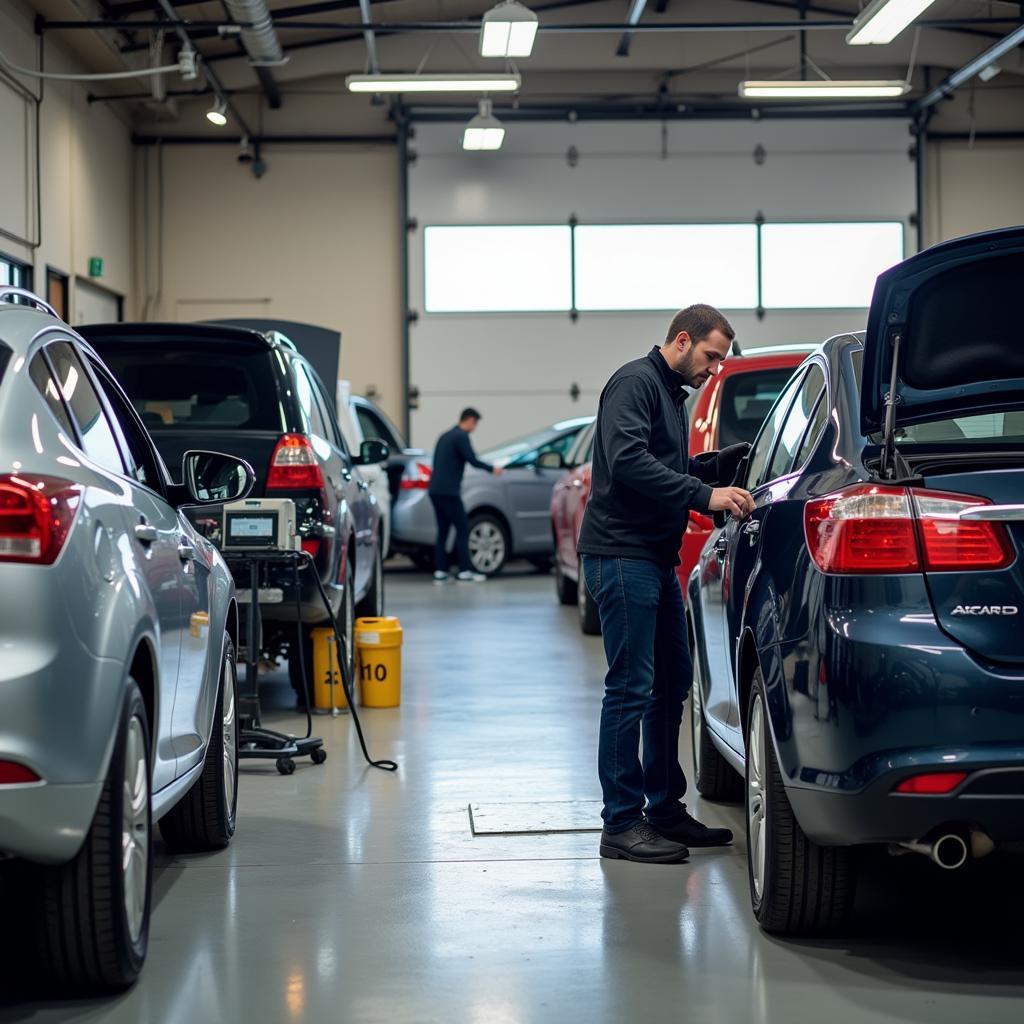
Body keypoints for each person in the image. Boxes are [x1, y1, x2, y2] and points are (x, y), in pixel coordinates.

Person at [577, 304, 756, 864]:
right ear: (682, 340)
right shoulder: (635, 383)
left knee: (671, 682)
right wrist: (706, 497)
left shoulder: (671, 396)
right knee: (630, 687)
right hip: (620, 555)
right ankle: (621, 823)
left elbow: (666, 466)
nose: (713, 369)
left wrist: (718, 465)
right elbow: (628, 462)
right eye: (711, 356)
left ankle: (664, 809)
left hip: (652, 557)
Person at [428, 407, 503, 583]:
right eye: (475, 423)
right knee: (463, 528)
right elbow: (473, 460)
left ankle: (440, 571)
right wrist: (493, 469)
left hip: (435, 490)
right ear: (469, 420)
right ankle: (465, 571)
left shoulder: (445, 435)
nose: (474, 427)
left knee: (443, 531)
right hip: (449, 492)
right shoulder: (461, 437)